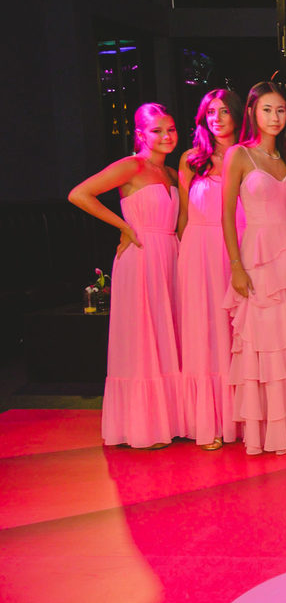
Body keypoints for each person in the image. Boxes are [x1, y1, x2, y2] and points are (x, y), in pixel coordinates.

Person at [68, 103, 182, 448]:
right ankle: (142, 427)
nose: (166, 136)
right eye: (157, 131)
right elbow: (79, 194)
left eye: (171, 129)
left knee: (167, 335)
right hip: (141, 255)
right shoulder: (132, 166)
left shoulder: (172, 172)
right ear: (141, 134)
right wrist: (124, 226)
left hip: (170, 255)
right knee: (142, 338)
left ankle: (170, 420)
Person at [221, 81, 286, 455]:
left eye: (281, 110)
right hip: (257, 258)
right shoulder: (239, 154)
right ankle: (268, 433)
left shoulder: (284, 158)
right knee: (265, 343)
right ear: (253, 112)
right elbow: (226, 214)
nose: (275, 117)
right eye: (268, 109)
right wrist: (236, 267)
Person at [177, 88, 243, 450]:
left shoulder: (247, 155)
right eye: (211, 112)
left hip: (237, 247)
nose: (217, 118)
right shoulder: (192, 160)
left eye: (224, 111)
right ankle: (210, 422)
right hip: (199, 252)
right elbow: (183, 216)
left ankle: (244, 418)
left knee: (237, 331)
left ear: (237, 114)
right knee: (205, 332)